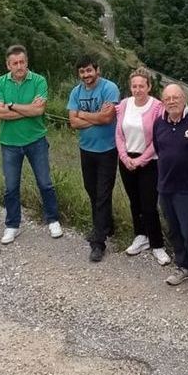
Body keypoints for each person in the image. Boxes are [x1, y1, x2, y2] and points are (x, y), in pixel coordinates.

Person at [0, 44, 62, 244]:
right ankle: (12, 225)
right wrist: (27, 108)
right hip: (9, 143)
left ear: (27, 62)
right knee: (11, 186)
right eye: (15, 63)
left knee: (45, 183)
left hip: (36, 140)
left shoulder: (39, 80)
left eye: (22, 62)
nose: (19, 66)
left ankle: (53, 219)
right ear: (8, 65)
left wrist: (11, 106)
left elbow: (38, 111)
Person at [151, 83, 188, 294]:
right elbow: (159, 149)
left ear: (184, 97)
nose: (171, 101)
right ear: (162, 101)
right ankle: (183, 266)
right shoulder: (159, 123)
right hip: (165, 186)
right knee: (174, 230)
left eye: (175, 97)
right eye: (167, 98)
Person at [67, 55, 121, 262]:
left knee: (103, 193)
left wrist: (82, 114)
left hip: (107, 149)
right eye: (82, 72)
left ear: (97, 70)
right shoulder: (76, 91)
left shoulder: (109, 88)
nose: (86, 75)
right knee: (92, 190)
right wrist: (95, 117)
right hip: (86, 149)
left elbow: (108, 118)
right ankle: (106, 226)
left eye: (89, 70)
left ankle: (98, 242)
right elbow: (73, 122)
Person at [114, 68, 170, 265]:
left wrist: (140, 160)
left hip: (149, 161)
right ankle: (140, 236)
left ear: (149, 87)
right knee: (134, 201)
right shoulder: (123, 104)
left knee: (149, 204)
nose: (137, 90)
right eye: (134, 86)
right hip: (127, 159)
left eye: (141, 86)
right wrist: (124, 157)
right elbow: (119, 134)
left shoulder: (157, 107)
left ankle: (157, 244)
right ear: (130, 87)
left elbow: (158, 138)